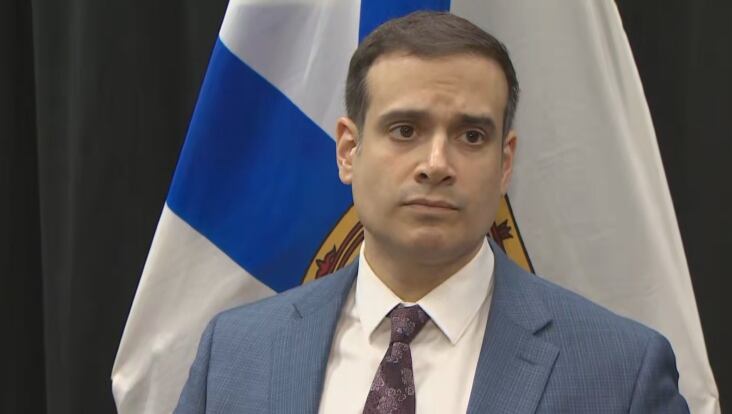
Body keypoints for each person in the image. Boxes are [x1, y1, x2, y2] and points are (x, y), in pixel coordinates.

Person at [175, 11, 689, 413]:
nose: (436, 164)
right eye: (405, 130)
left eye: (471, 135)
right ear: (348, 151)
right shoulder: (235, 354)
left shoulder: (619, 373)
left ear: (505, 162)